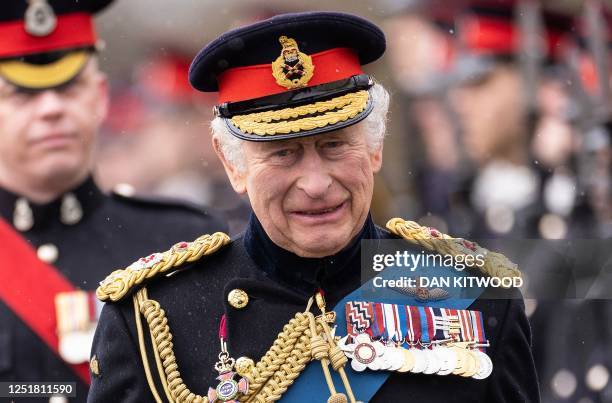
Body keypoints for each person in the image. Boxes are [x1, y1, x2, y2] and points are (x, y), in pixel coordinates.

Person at [88, 11, 539, 403]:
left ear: (375, 147)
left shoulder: (475, 295)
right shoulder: (152, 319)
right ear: (232, 163)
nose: (317, 183)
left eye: (335, 145)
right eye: (282, 153)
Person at [0, 1, 226, 402]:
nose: (51, 109)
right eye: (22, 95)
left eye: (69, 88)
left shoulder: (189, 244)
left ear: (101, 97)